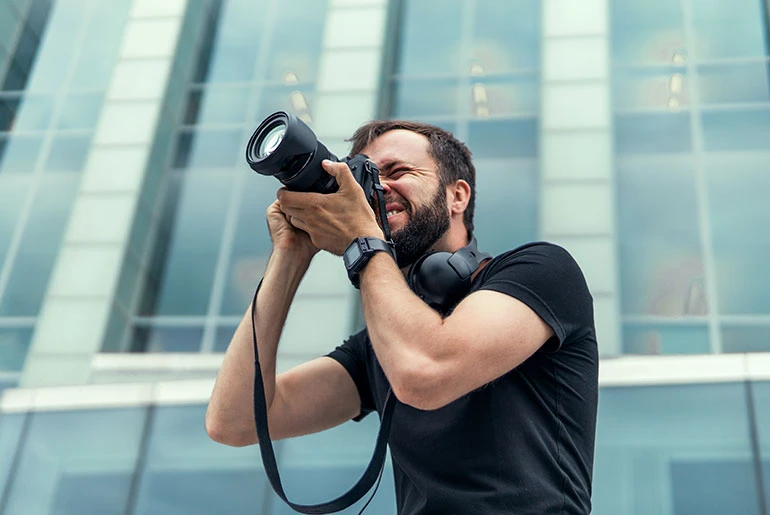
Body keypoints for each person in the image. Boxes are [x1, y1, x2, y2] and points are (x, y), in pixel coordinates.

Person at [205, 120, 599, 514]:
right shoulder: (381, 346)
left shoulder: (541, 271)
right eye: (367, 180)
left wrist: (361, 240)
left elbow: (425, 372)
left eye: (397, 172)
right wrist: (289, 256)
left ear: (457, 195)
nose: (378, 190)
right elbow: (235, 419)